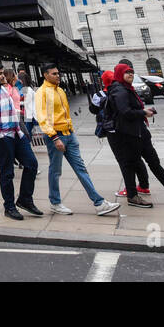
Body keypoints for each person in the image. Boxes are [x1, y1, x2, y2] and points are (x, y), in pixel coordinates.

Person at [106, 63, 164, 207]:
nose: (130, 74)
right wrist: (143, 112)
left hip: (139, 133)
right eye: (126, 72)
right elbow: (125, 112)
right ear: (119, 74)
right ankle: (133, 196)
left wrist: (143, 112)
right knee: (130, 165)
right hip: (129, 135)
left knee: (154, 162)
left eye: (131, 72)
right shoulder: (120, 90)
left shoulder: (127, 89)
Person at [35, 65, 119, 216]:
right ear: (45, 75)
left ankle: (99, 203)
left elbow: (65, 113)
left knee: (81, 168)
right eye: (54, 74)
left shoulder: (60, 90)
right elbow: (42, 118)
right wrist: (54, 137)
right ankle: (55, 202)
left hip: (69, 134)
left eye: (58, 73)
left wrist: (71, 132)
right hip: (56, 136)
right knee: (55, 171)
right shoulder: (42, 92)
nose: (58, 76)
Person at [0, 61, 40, 220]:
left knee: (32, 164)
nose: (3, 76)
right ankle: (9, 207)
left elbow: (11, 112)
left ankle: (25, 200)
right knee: (7, 172)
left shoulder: (3, 89)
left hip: (15, 133)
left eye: (3, 73)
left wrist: (19, 131)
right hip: (2, 137)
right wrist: (1, 136)